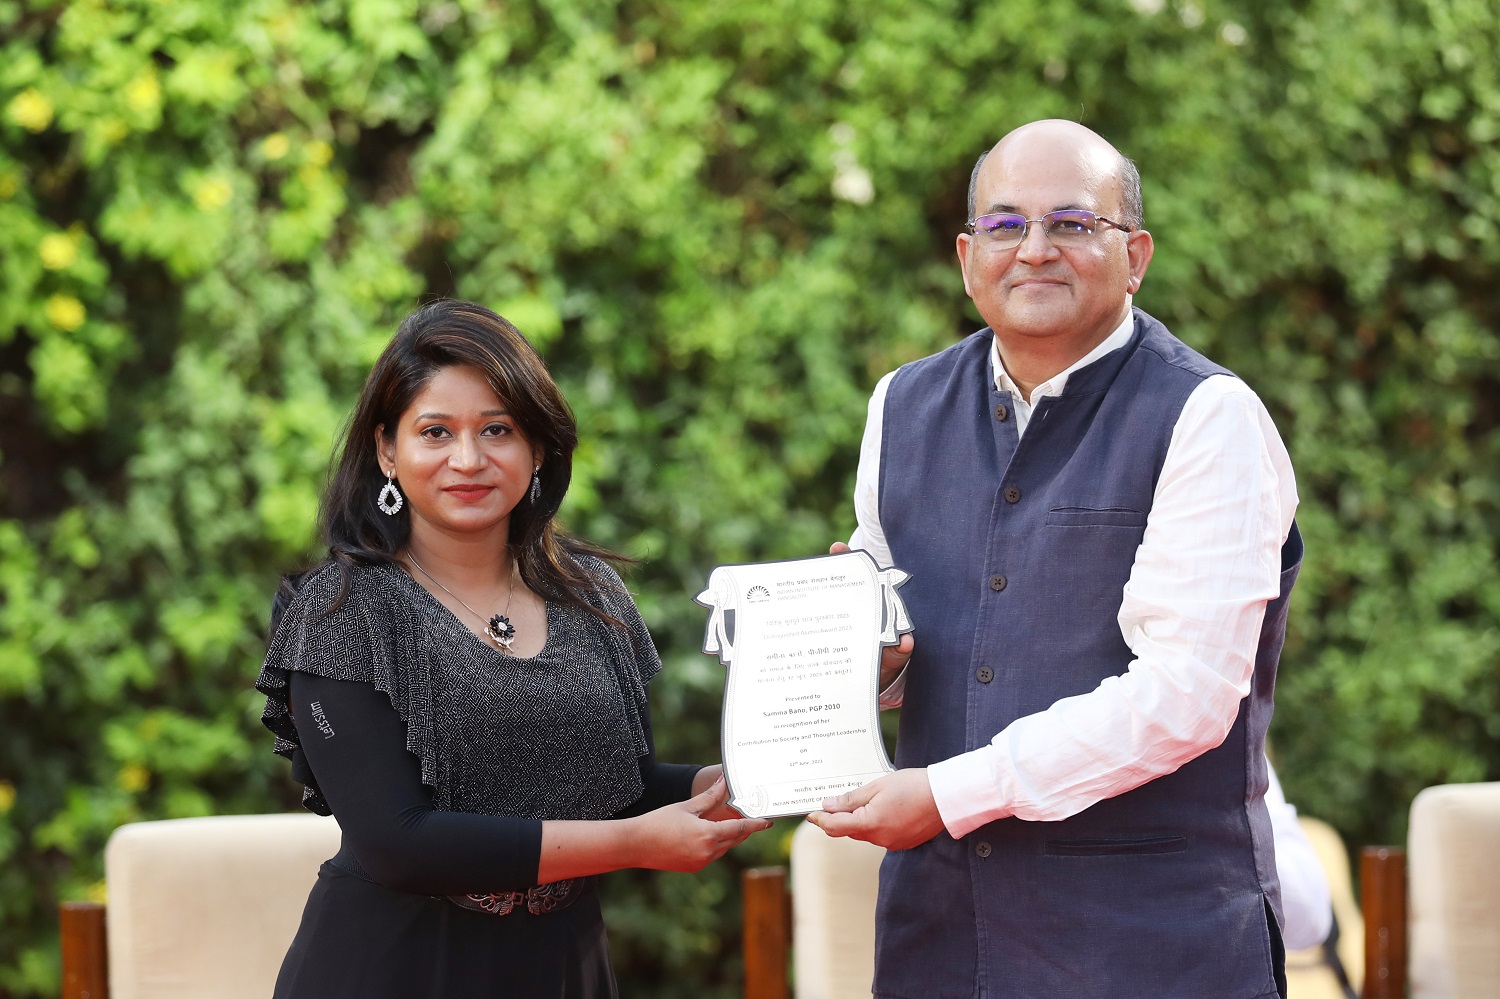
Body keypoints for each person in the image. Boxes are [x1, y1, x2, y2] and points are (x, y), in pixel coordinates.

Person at [808, 120, 1304, 998]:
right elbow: (906, 641)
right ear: (968, 258)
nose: (1034, 250)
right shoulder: (901, 404)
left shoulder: (1208, 415)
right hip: (942, 940)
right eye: (1005, 226)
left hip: (1150, 945)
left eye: (1072, 224)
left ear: (1136, 254)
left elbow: (1186, 695)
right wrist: (869, 662)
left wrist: (951, 792)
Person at [254, 300, 769, 998]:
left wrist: (726, 781)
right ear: (387, 450)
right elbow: (398, 842)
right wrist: (638, 842)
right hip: (397, 966)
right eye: (435, 431)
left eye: (497, 429)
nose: (468, 459)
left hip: (561, 963)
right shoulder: (346, 612)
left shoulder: (591, 594)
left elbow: (618, 786)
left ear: (535, 449)